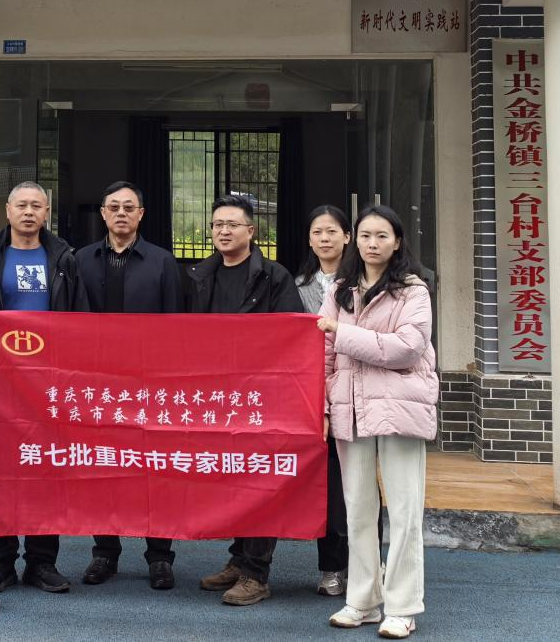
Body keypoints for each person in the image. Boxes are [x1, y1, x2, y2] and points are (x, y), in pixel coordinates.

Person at [318, 205, 438, 639]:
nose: (373, 243)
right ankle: (363, 601)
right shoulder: (340, 289)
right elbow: (324, 355)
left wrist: (341, 332)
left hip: (399, 408)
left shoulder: (413, 291)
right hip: (350, 408)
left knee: (404, 512)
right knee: (358, 511)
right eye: (366, 235)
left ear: (397, 241)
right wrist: (324, 406)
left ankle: (402, 607)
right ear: (356, 239)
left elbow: (406, 348)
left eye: (382, 236)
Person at [187, 193, 305, 607]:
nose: (223, 231)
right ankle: (238, 560)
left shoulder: (274, 277)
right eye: (217, 224)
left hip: (261, 396)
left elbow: (292, 334)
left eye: (232, 224)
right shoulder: (200, 275)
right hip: (216, 397)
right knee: (232, 479)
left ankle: (257, 573)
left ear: (251, 231)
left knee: (260, 479)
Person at [0, 181, 88, 595]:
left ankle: (42, 561)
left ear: (47, 212)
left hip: (50, 382)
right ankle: (1, 562)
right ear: (7, 210)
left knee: (47, 469)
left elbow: (79, 319)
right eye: (21, 205)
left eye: (36, 205)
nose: (28, 212)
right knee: (2, 470)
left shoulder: (64, 258)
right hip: (0, 381)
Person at [76, 180, 183, 591]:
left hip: (149, 383)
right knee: (103, 468)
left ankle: (160, 556)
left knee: (155, 470)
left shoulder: (162, 262)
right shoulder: (81, 260)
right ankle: (105, 551)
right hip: (97, 384)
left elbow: (175, 325)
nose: (121, 213)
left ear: (141, 214)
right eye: (114, 207)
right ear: (103, 214)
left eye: (129, 207)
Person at [295, 205, 352, 598]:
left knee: (355, 486)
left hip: (352, 391)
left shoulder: (362, 282)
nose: (325, 238)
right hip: (310, 394)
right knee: (323, 487)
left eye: (332, 231)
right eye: (318, 232)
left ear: (347, 237)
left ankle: (361, 566)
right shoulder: (298, 286)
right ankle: (331, 568)